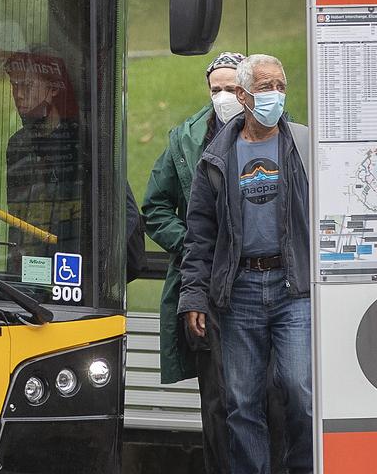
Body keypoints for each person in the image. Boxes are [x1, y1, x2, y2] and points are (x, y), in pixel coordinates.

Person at [179, 54, 312, 474]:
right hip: (240, 292)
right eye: (266, 85)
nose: (275, 94)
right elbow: (200, 233)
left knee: (300, 390)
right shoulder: (216, 157)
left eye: (280, 85)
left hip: (294, 288)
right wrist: (194, 295)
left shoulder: (303, 145)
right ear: (243, 94)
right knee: (240, 401)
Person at [142, 51, 244, 474]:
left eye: (231, 88)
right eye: (215, 88)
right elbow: (155, 207)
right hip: (208, 287)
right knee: (218, 398)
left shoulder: (277, 134)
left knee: (273, 395)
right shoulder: (186, 139)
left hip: (265, 284)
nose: (223, 97)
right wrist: (192, 245)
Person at [3, 47, 82, 268]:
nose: (18, 95)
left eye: (26, 86)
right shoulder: (18, 145)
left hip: (71, 262)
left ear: (54, 88)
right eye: (14, 85)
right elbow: (17, 215)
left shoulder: (80, 144)